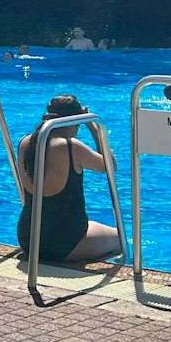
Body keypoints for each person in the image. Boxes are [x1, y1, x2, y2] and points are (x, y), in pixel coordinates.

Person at [15, 95, 122, 264]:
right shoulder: (71, 146)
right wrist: (94, 127)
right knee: (122, 240)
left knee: (95, 227)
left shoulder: (25, 143)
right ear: (73, 122)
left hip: (29, 239)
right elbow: (110, 166)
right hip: (64, 244)